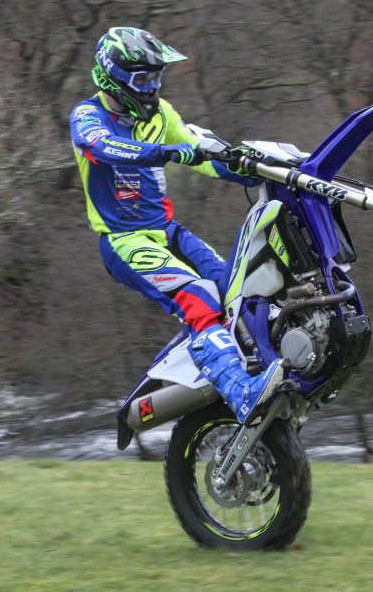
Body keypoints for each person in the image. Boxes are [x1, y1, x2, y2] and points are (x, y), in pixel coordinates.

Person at [69, 26, 282, 424]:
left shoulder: (161, 113)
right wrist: (164, 152)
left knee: (236, 287)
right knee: (199, 296)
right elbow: (102, 147)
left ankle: (260, 363)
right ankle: (239, 391)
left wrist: (258, 170)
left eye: (156, 78)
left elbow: (202, 155)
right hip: (124, 242)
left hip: (168, 232)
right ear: (112, 78)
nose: (151, 88)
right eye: (142, 80)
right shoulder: (87, 115)